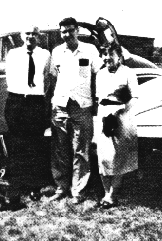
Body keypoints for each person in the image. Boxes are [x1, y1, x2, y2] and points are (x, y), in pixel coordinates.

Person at [48, 17, 102, 204]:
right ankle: (61, 188)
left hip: (82, 107)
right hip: (60, 107)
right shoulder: (56, 52)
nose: (67, 34)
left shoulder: (90, 50)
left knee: (81, 150)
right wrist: (53, 104)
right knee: (60, 150)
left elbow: (97, 77)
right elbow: (54, 79)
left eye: (70, 30)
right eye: (63, 31)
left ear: (77, 30)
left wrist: (95, 102)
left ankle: (78, 191)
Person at [4, 25, 51, 200]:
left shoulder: (45, 54)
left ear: (38, 36)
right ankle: (16, 185)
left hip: (35, 102)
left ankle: (34, 187)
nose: (30, 36)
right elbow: (10, 78)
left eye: (34, 34)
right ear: (22, 36)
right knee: (16, 143)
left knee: (35, 144)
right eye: (27, 33)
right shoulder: (13, 54)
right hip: (16, 101)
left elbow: (47, 79)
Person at [95, 44, 139, 209]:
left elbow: (135, 97)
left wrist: (121, 109)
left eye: (110, 54)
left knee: (117, 158)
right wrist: (104, 115)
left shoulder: (128, 73)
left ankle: (112, 196)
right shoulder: (100, 74)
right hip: (104, 116)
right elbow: (100, 98)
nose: (107, 58)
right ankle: (107, 193)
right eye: (104, 54)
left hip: (122, 117)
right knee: (103, 157)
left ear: (119, 56)